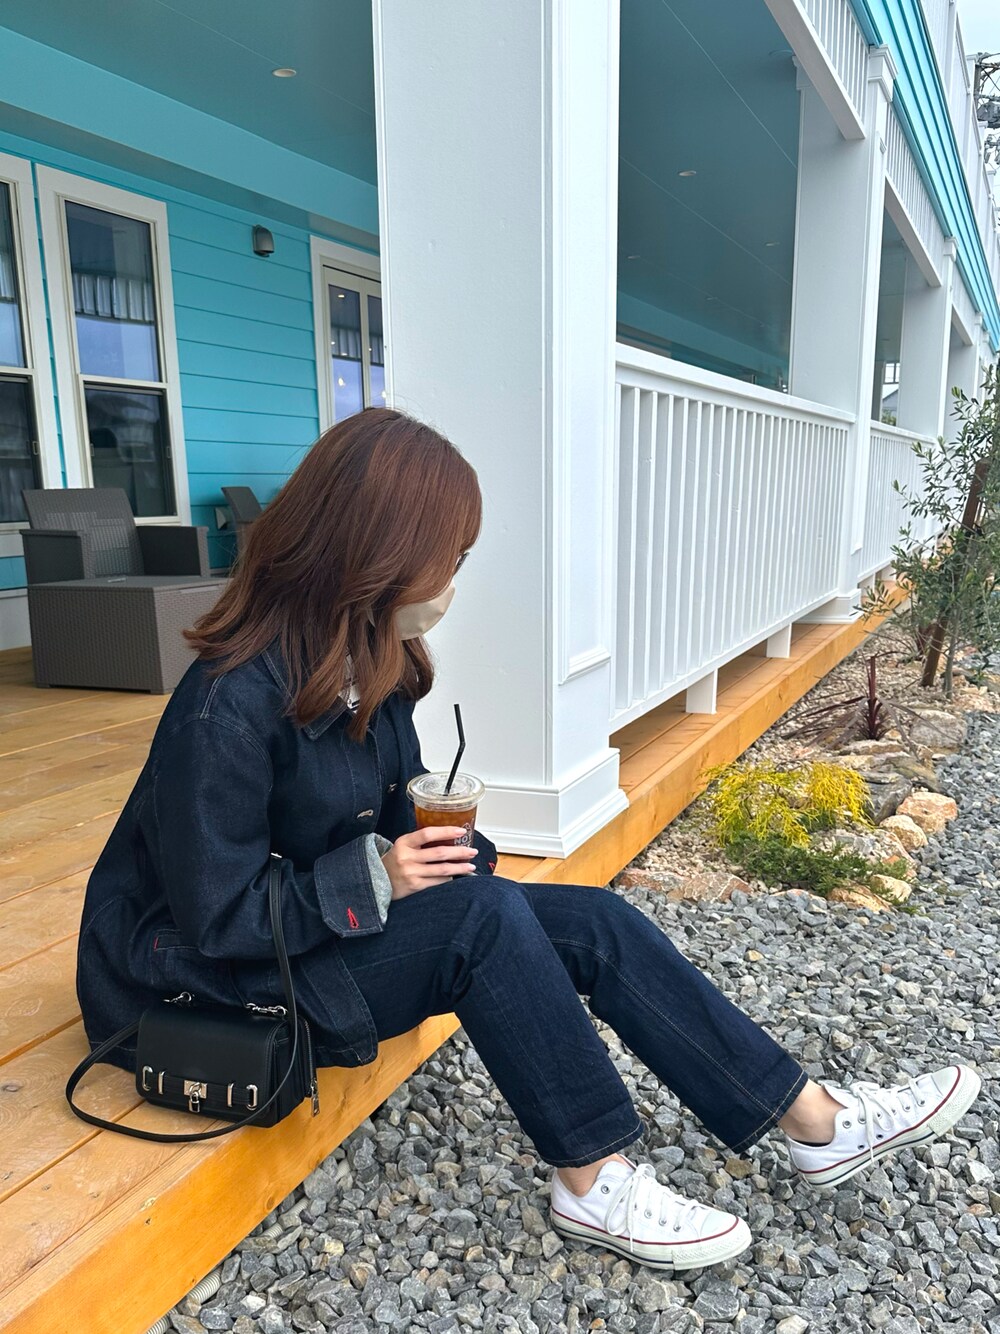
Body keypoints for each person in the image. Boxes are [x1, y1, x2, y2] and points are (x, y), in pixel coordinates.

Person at [76, 408, 981, 1272]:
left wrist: (438, 856)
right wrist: (379, 877)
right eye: (448, 558)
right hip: (200, 981)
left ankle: (814, 1122)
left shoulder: (368, 666)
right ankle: (591, 1178)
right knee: (484, 924)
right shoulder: (225, 707)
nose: (452, 582)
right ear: (376, 555)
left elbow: (391, 831)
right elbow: (217, 917)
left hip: (303, 934)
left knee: (593, 921)